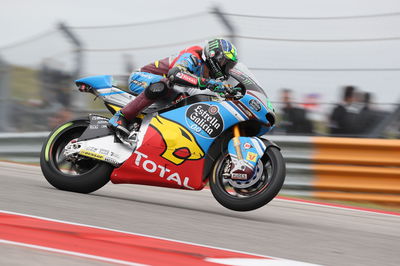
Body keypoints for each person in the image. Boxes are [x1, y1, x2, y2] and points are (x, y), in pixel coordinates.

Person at [108, 38, 238, 135]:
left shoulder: (207, 72)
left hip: (168, 90)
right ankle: (121, 116)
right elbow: (176, 74)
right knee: (166, 84)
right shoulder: (193, 56)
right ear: (214, 56)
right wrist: (209, 84)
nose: (225, 68)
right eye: (224, 63)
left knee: (189, 100)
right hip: (141, 78)